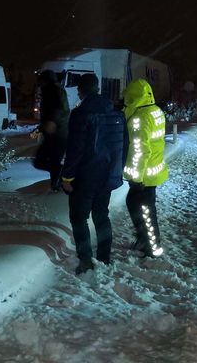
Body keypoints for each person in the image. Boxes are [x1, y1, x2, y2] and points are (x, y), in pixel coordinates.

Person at [61, 73, 126, 275]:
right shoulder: (116, 113)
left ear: (81, 90)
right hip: (107, 176)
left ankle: (86, 259)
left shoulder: (81, 114)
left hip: (86, 177)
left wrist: (67, 177)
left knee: (79, 217)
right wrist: (117, 170)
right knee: (101, 215)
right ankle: (104, 257)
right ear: (97, 88)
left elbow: (75, 148)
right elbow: (125, 146)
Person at [122, 78, 169, 258]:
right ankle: (145, 239)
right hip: (154, 171)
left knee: (144, 210)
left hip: (144, 176)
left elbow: (140, 151)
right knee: (142, 207)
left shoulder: (140, 118)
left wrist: (137, 178)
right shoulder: (155, 111)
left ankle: (152, 247)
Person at [33, 70, 69, 191]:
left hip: (59, 134)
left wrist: (51, 122)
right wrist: (41, 127)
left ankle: (57, 183)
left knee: (46, 161)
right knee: (44, 161)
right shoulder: (50, 90)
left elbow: (60, 108)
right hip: (54, 134)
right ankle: (57, 181)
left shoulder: (54, 90)